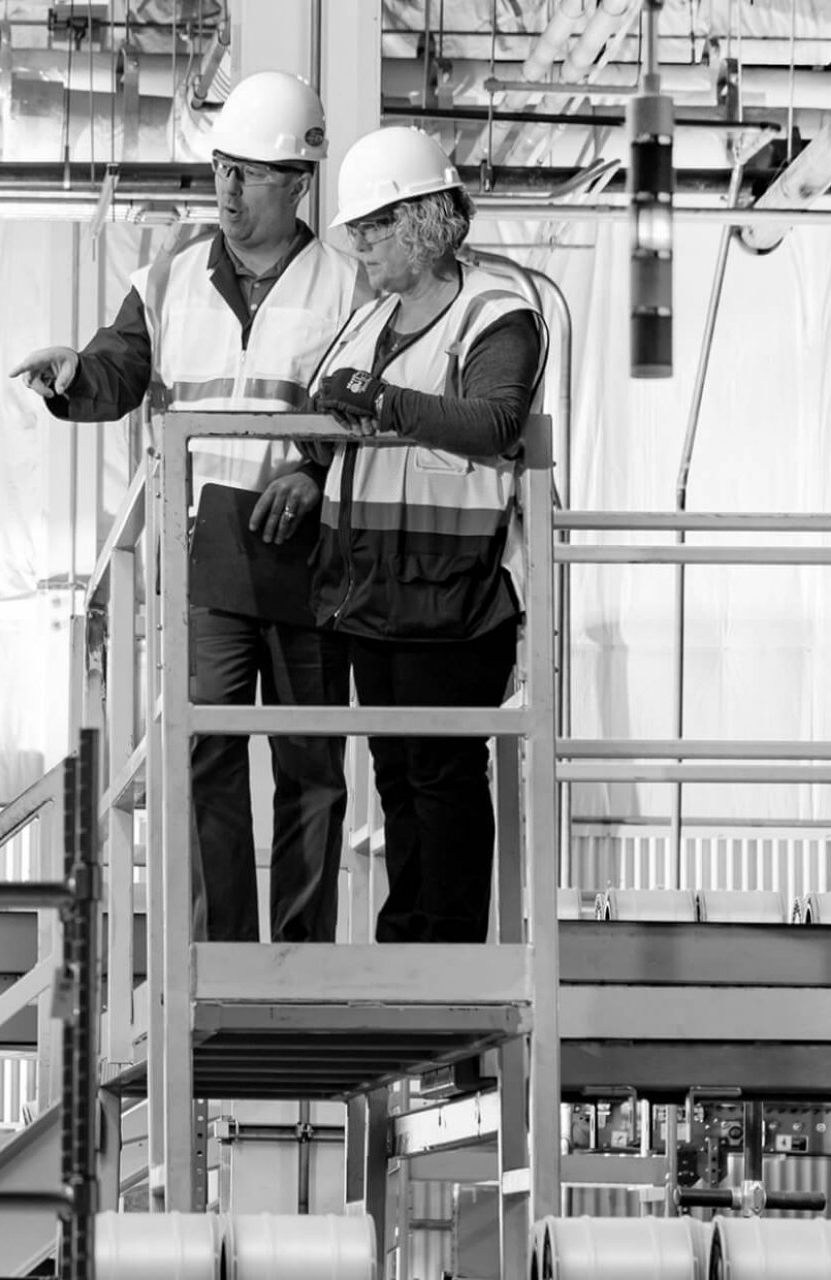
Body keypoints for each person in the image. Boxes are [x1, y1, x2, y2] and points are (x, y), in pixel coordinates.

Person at [10, 71, 366, 943]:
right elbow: (115, 369)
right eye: (223, 169)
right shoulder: (166, 278)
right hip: (200, 559)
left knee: (312, 767)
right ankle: (226, 954)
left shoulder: (348, 289)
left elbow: (364, 413)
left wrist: (314, 475)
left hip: (306, 558)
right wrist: (71, 378)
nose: (231, 191)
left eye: (252, 174)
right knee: (205, 755)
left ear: (299, 182)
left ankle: (302, 959)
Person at [310, 126, 548, 943]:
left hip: (456, 595)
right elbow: (324, 427)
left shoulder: (496, 312)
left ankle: (443, 953)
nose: (359, 243)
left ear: (421, 221)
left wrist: (384, 403)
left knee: (440, 773)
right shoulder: (367, 322)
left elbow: (495, 418)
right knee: (399, 776)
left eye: (375, 225)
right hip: (373, 592)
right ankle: (406, 943)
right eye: (358, 228)